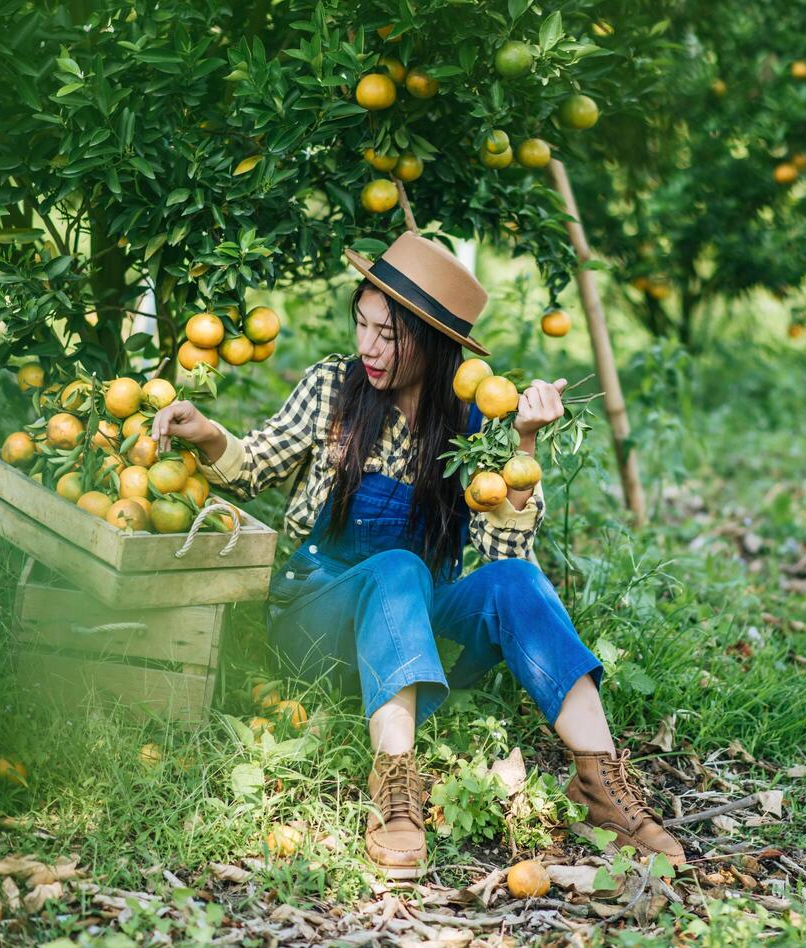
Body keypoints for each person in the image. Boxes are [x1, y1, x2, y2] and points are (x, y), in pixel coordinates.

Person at [153, 231, 684, 878]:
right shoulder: (333, 387)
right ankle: (396, 794)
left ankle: (602, 785)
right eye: (363, 325)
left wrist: (522, 445)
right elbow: (253, 466)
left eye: (389, 335)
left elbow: (500, 547)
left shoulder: (476, 420)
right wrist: (206, 433)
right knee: (399, 568)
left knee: (514, 580)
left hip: (415, 631)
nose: (368, 347)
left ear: (434, 344)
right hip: (315, 622)